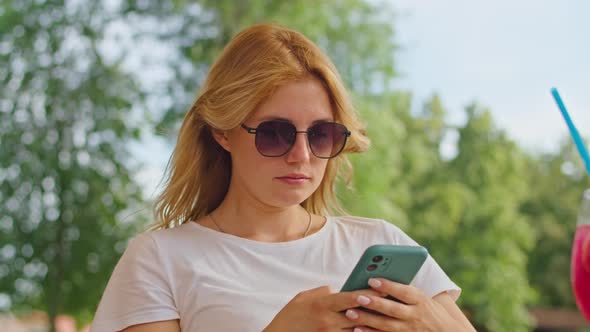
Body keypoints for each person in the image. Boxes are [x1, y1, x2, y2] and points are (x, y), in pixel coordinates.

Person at [90, 23, 476, 332]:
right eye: (276, 133)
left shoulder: (380, 242)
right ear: (222, 132)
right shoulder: (160, 260)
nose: (302, 155)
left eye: (322, 134)